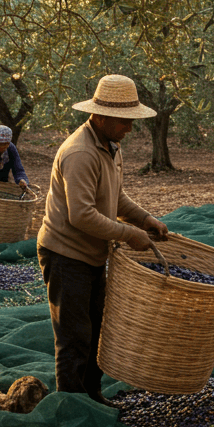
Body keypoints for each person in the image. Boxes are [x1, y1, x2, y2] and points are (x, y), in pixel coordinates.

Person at [37, 75, 169, 407]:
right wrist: (129, 234)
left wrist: (144, 219)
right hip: (66, 254)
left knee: (97, 330)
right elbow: (81, 215)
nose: (130, 128)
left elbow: (116, 197)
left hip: (93, 254)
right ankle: (72, 409)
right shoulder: (80, 153)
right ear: (100, 116)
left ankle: (92, 398)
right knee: (74, 336)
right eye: (124, 121)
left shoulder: (110, 146)